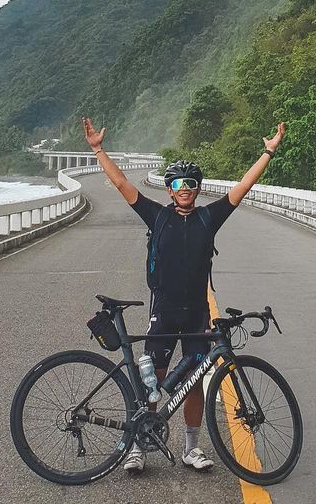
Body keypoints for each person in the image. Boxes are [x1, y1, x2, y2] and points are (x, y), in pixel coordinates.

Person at [81, 116, 286, 474]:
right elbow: (121, 183)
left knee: (194, 381)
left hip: (197, 314)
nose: (185, 188)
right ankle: (139, 445)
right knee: (153, 380)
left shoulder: (210, 217)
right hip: (164, 309)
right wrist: (99, 149)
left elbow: (243, 187)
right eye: (178, 183)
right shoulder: (157, 216)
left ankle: (192, 447)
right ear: (170, 189)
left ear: (197, 188)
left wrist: (267, 153)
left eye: (191, 183)